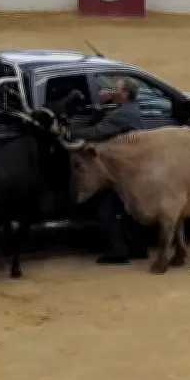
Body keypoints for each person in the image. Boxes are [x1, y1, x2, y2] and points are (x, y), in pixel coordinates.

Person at [62, 77, 144, 265]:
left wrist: (68, 133)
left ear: (125, 94)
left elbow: (96, 132)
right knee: (126, 210)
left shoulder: (123, 114)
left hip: (121, 172)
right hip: (123, 170)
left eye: (115, 88)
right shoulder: (125, 109)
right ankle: (138, 247)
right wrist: (100, 105)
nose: (111, 90)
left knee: (107, 209)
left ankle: (119, 250)